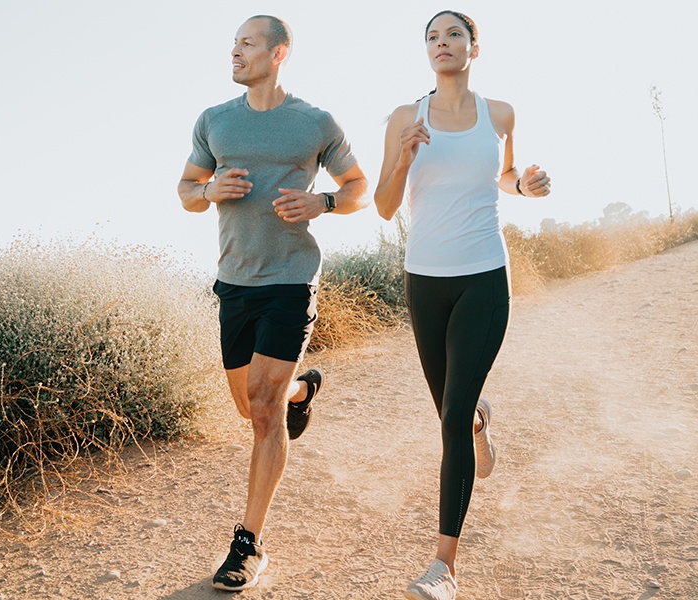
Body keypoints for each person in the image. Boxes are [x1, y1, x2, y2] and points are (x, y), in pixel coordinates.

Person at [177, 14, 369, 592]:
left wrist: (324, 203)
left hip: (291, 278)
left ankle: (248, 542)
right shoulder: (215, 121)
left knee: (263, 410)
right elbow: (185, 191)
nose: (234, 52)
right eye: (233, 44)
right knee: (249, 405)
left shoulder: (314, 123)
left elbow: (359, 187)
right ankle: (303, 389)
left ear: (279, 52)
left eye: (247, 43)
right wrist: (208, 190)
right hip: (235, 281)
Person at [374, 10, 551, 600]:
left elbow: (501, 175)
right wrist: (402, 155)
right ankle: (479, 419)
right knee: (452, 411)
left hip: (483, 276)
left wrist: (522, 184)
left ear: (475, 47)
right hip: (425, 280)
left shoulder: (500, 113)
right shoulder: (405, 117)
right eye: (431, 37)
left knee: (447, 418)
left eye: (452, 34)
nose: (441, 43)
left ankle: (444, 566)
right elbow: (382, 205)